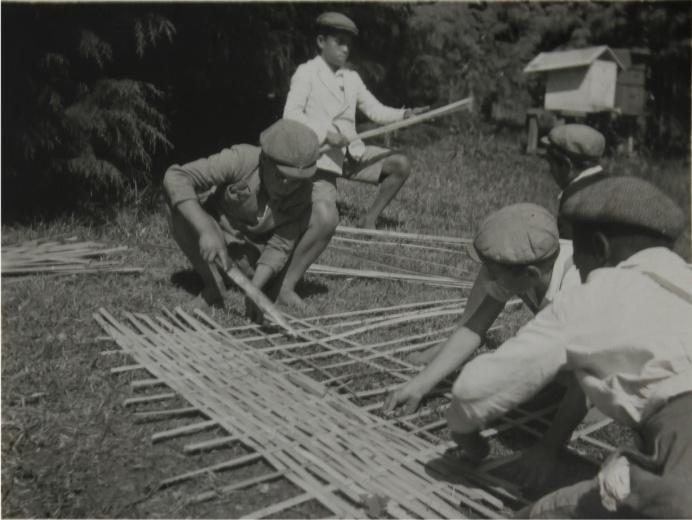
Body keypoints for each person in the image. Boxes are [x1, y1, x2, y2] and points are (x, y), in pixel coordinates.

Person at [445, 176, 690, 518]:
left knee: (544, 514)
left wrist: (467, 435)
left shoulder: (595, 297)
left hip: (683, 465)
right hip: (675, 450)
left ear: (600, 248)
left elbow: (473, 390)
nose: (578, 268)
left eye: (578, 257)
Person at [384, 203, 580, 461]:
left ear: (531, 274)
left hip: (623, 359)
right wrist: (420, 385)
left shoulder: (574, 297)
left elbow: (585, 380)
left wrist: (550, 446)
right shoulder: (532, 264)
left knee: (566, 382)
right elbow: (475, 328)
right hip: (571, 337)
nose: (486, 278)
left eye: (493, 273)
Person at [280, 12, 428, 307]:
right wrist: (324, 134)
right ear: (321, 42)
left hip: (352, 154)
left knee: (400, 164)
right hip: (319, 159)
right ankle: (285, 284)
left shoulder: (352, 78)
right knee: (327, 220)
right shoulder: (307, 73)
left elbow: (375, 110)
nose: (345, 49)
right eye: (339, 42)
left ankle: (368, 219)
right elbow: (290, 116)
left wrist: (404, 114)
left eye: (349, 44)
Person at [163, 119, 320, 313]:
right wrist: (205, 228)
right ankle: (213, 287)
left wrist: (254, 289)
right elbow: (175, 176)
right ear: (264, 159)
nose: (286, 186)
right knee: (176, 205)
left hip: (254, 259)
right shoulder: (242, 159)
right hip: (216, 247)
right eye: (280, 176)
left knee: (326, 213)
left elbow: (281, 243)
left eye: (295, 181)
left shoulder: (302, 190)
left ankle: (279, 289)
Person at [540, 124, 606, 237]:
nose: (550, 170)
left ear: (566, 165)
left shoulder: (574, 199)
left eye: (550, 162)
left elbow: (568, 250)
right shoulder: (610, 181)